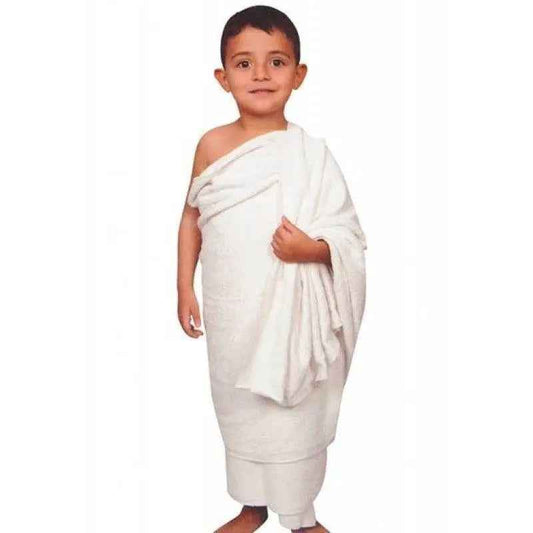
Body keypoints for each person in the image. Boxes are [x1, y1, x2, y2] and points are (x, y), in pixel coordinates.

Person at [177, 6, 367, 532]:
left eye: (276, 61)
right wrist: (184, 288)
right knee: (240, 404)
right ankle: (252, 506)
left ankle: (301, 515)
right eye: (244, 63)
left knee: (291, 409)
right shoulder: (211, 145)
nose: (260, 74)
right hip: (233, 313)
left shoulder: (312, 157)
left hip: (292, 318)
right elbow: (191, 217)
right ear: (223, 77)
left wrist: (312, 249)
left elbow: (350, 239)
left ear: (298, 74)